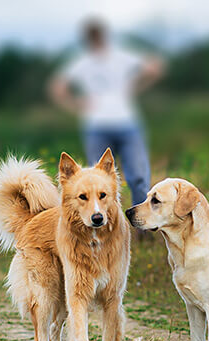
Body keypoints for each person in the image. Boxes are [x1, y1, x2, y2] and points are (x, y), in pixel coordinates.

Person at [49, 18, 165, 208]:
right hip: (97, 127)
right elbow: (57, 86)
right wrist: (76, 105)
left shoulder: (121, 55)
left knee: (138, 177)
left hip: (128, 124)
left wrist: (136, 87)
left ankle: (143, 227)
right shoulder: (82, 62)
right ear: (89, 39)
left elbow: (155, 67)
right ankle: (107, 225)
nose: (96, 40)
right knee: (98, 183)